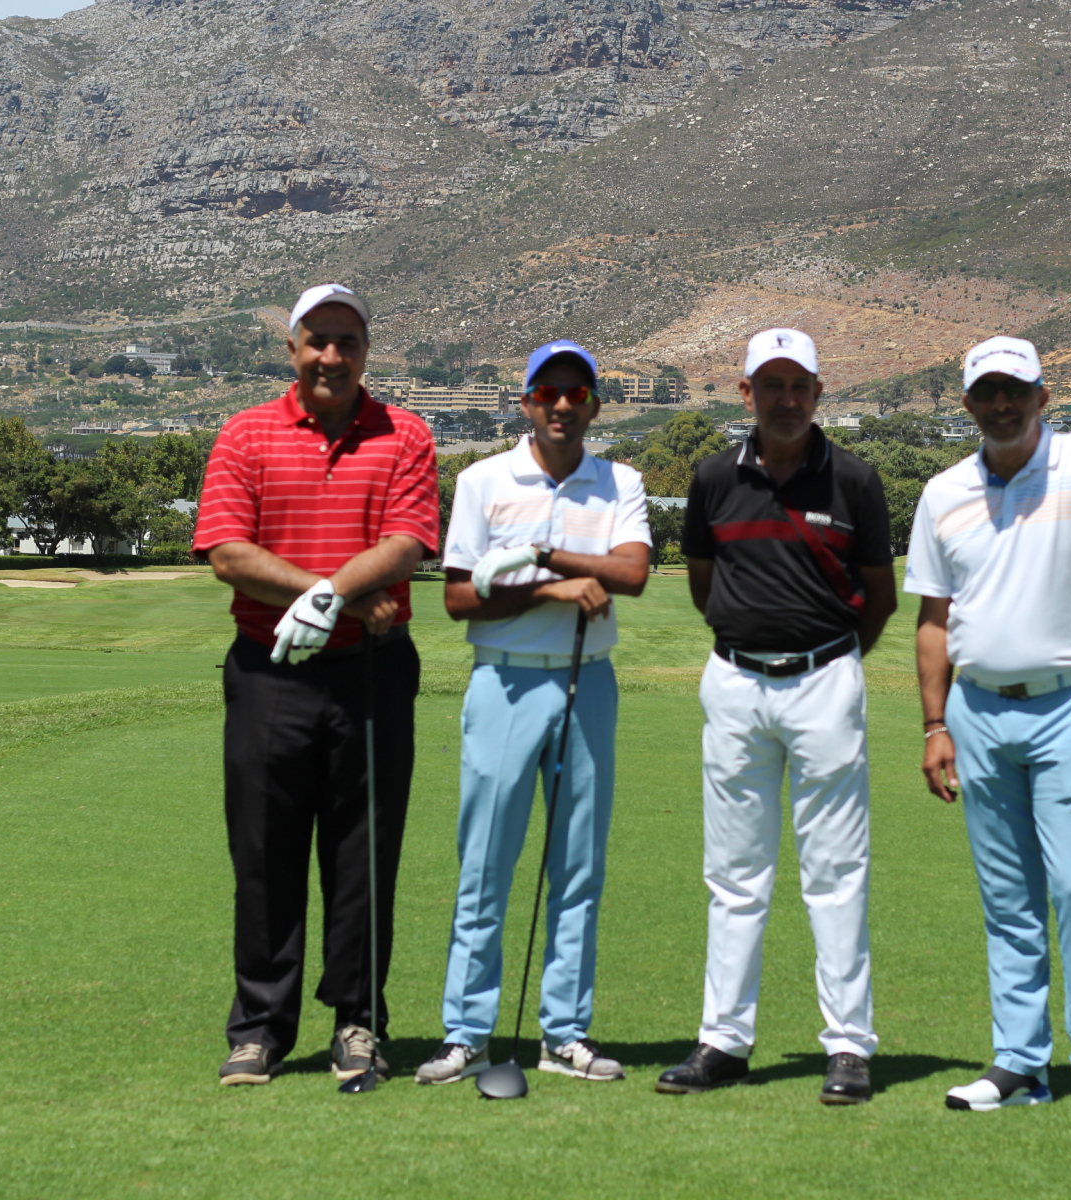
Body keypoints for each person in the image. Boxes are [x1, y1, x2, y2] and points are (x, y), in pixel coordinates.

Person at [195, 283, 439, 1087]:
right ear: (292, 348)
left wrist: (326, 598)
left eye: (348, 342)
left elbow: (407, 543)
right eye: (318, 341)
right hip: (269, 673)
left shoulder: (405, 434)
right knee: (264, 851)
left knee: (363, 855)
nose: (332, 356)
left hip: (372, 670)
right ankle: (260, 1028)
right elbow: (227, 552)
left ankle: (358, 1023)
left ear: (366, 351)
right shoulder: (245, 433)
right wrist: (331, 595)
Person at [904, 336, 1071, 1120]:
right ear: (968, 404)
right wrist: (934, 723)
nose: (1002, 405)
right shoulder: (944, 492)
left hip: (1069, 703)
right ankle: (1020, 1062)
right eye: (988, 393)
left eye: (1016, 391)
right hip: (976, 712)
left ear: (1043, 396)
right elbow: (933, 619)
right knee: (1007, 897)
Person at [656, 327, 897, 1106]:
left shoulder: (854, 480)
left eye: (799, 386)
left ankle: (849, 1046)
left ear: (819, 393)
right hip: (735, 683)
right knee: (734, 874)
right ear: (746, 392)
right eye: (772, 385)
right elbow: (705, 584)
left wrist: (830, 661)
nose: (786, 399)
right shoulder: (712, 478)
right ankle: (723, 1041)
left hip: (826, 682)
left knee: (836, 873)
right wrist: (752, 643)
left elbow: (880, 596)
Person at [417, 339, 651, 1086]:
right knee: (485, 863)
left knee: (578, 866)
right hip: (504, 683)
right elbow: (460, 597)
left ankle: (565, 1034)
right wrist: (556, 589)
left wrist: (541, 557)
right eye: (548, 392)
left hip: (589, 683)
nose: (562, 405)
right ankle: (467, 1034)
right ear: (525, 401)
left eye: (577, 393)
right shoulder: (483, 480)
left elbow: (632, 573)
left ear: (595, 405)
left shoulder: (620, 481)